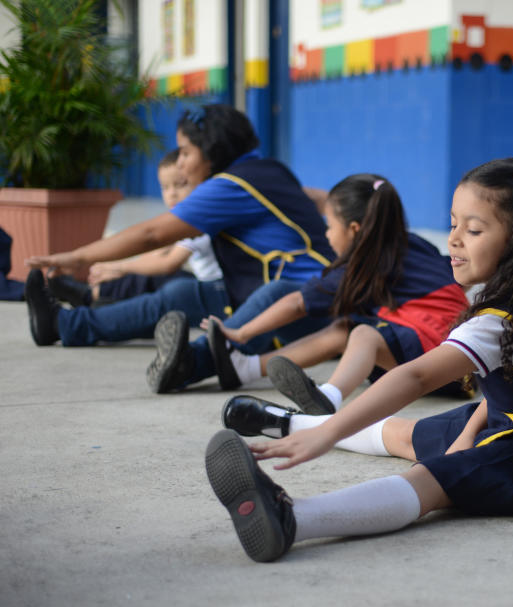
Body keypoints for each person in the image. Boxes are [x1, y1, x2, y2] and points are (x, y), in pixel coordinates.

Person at [204, 157, 513, 563]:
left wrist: (330, 433)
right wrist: (468, 433)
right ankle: (286, 424)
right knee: (406, 436)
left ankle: (292, 517)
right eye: (453, 224)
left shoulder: (501, 320)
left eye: (473, 230)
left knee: (432, 479)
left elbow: (414, 377)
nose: (452, 239)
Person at [23, 104, 335, 385]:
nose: (181, 165)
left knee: (276, 294)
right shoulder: (267, 170)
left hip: (313, 311)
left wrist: (78, 257)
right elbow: (320, 198)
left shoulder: (231, 186)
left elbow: (152, 235)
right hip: (261, 295)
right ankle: (64, 324)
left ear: (211, 151)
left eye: (185, 153)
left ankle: (191, 363)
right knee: (183, 292)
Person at [200, 173, 469, 416]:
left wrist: (242, 333)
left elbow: (297, 304)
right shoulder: (412, 244)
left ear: (353, 229)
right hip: (460, 359)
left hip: (438, 360)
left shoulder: (364, 265)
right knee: (345, 328)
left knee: (363, 335)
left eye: (329, 225)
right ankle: (244, 368)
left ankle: (329, 396)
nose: (326, 234)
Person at [46, 149, 220, 308]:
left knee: (158, 276)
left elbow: (168, 263)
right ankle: (100, 294)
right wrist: (116, 267)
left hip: (214, 292)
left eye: (180, 184)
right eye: (165, 187)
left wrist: (122, 267)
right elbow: (158, 252)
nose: (172, 193)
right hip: (204, 286)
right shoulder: (183, 221)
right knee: (143, 269)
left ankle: (92, 295)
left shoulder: (199, 220)